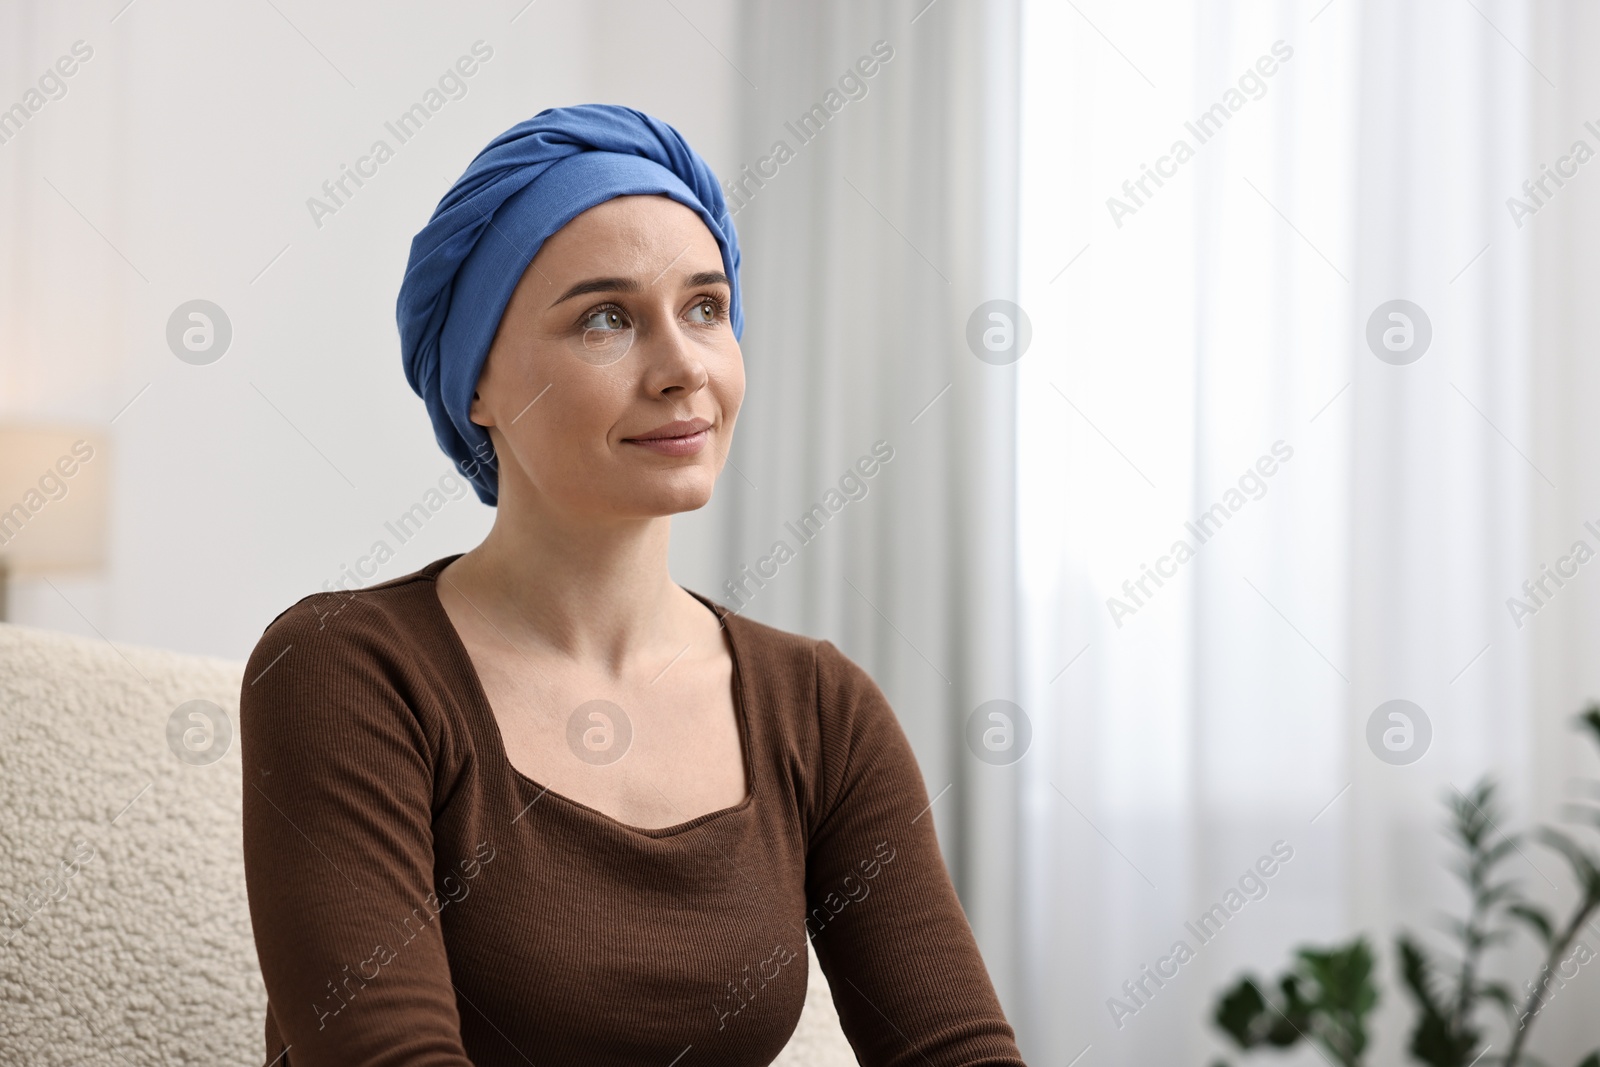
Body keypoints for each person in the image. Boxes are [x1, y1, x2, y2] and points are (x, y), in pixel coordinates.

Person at [240, 103, 1026, 1067]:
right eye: (606, 319)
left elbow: (956, 1053)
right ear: (476, 383)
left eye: (706, 308)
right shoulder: (345, 669)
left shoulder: (820, 710)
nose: (684, 367)